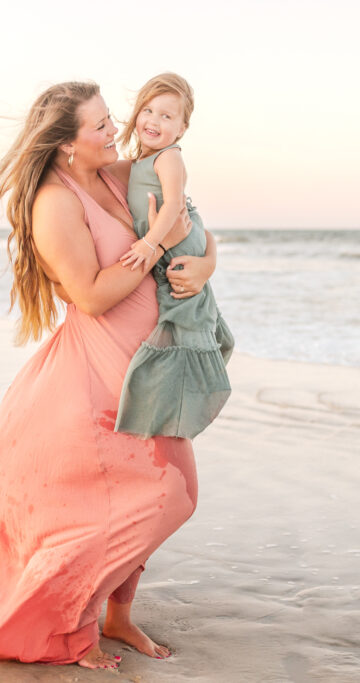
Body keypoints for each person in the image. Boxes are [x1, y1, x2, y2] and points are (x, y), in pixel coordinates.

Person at [0, 81, 217, 671]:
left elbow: (194, 227)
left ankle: (119, 615)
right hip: (98, 370)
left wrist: (201, 265)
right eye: (100, 124)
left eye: (110, 119)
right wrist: (155, 250)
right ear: (69, 143)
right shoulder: (55, 201)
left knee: (161, 495)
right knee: (160, 498)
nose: (115, 128)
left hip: (152, 362)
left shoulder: (120, 174)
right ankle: (73, 627)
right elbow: (92, 295)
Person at [116, 73, 234, 440]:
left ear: (181, 129)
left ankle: (187, 388)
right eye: (148, 110)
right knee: (190, 310)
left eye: (167, 116)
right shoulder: (140, 161)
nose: (154, 120)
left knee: (184, 313)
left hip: (175, 239)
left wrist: (151, 243)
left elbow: (175, 205)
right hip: (175, 238)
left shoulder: (168, 158)